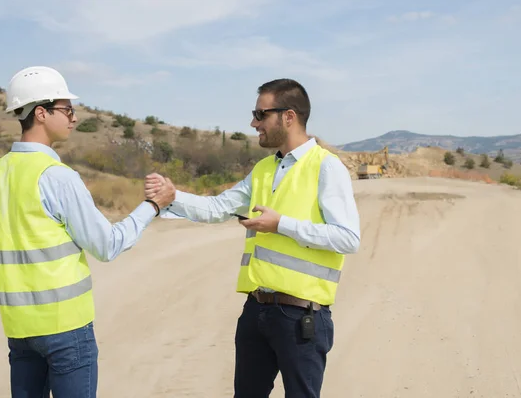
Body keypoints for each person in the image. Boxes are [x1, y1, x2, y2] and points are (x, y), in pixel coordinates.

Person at [0, 66, 175, 398]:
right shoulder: (56, 176)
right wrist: (153, 206)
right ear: (40, 113)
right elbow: (107, 245)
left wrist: (21, 274)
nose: (74, 118)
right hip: (66, 330)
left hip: (19, 331)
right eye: (67, 109)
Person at [145, 78, 360, 397]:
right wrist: (173, 195)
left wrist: (281, 224)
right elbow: (217, 208)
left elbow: (347, 238)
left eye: (260, 115)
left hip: (302, 317)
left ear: (288, 116)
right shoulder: (262, 169)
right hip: (257, 311)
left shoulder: (327, 168)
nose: (253, 123)